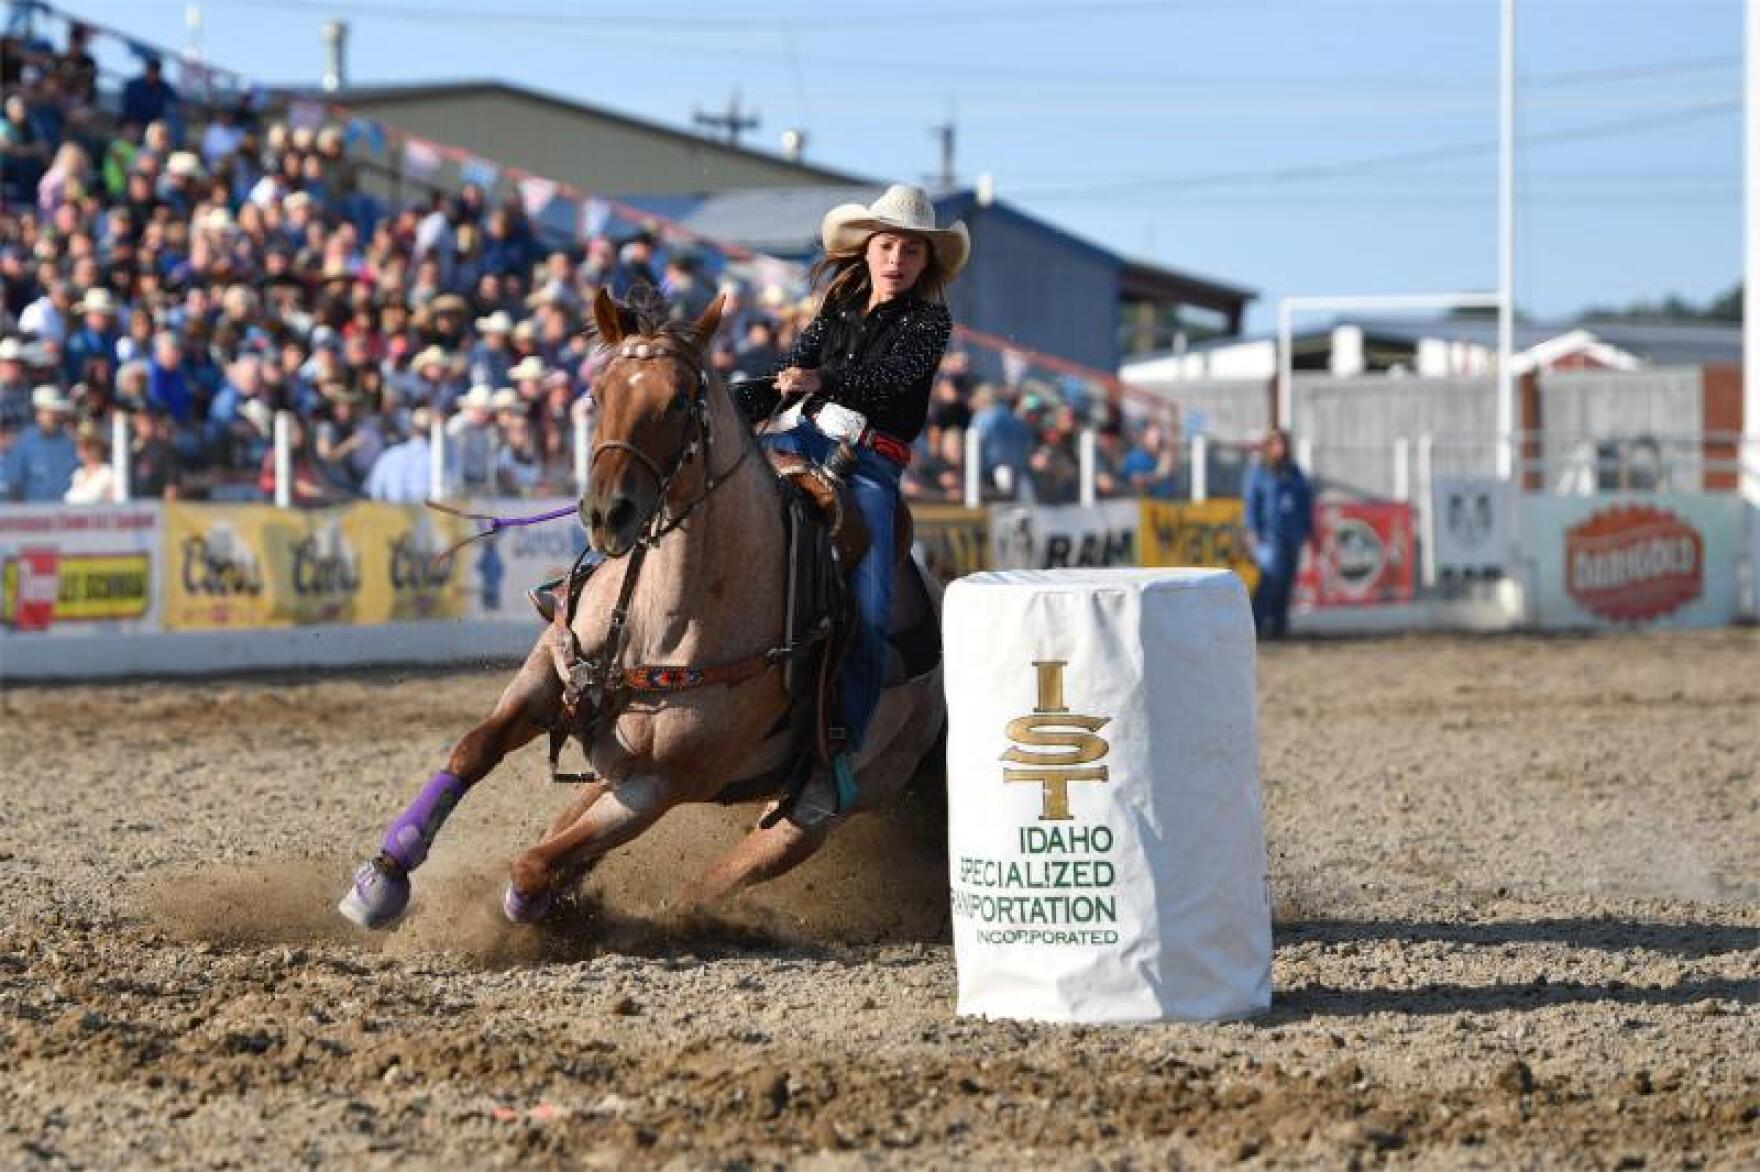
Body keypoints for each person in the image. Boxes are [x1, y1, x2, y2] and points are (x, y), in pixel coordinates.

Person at [736, 183, 967, 806]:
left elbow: (889, 380)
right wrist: (720, 400)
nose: (896, 259)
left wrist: (821, 378)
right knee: (706, 492)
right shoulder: (837, 310)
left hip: (870, 469)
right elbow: (784, 381)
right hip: (804, 439)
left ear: (924, 264)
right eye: (887, 245)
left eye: (911, 252)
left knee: (869, 613)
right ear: (866, 250)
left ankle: (838, 755)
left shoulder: (928, 321)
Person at [1243, 428, 1314, 640]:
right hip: (1269, 537)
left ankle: (1279, 627)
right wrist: (1252, 530)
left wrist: (1306, 532)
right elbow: (1252, 503)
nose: (1280, 449)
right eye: (1275, 444)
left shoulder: (1294, 471)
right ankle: (1255, 625)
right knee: (1269, 581)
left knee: (1286, 583)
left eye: (1282, 444)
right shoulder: (1259, 472)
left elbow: (1305, 502)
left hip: (1292, 535)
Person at [4, 386, 79, 501]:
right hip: (34, 514)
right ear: (38, 412)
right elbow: (14, 484)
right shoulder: (24, 443)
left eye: (56, 412)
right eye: (50, 412)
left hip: (66, 513)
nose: (54, 417)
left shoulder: (69, 441)